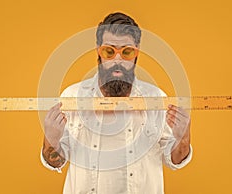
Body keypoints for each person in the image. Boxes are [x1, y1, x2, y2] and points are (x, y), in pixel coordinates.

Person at [41, 12, 192, 194]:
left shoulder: (157, 99)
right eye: (109, 51)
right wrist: (51, 140)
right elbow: (55, 161)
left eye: (126, 52)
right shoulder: (72, 97)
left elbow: (175, 159)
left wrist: (183, 138)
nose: (117, 60)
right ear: (99, 51)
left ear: (136, 53)